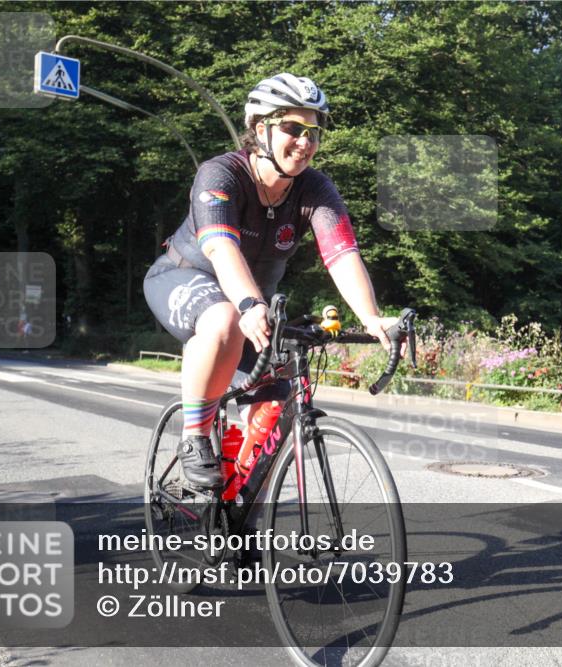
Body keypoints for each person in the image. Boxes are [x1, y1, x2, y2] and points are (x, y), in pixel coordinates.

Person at [144, 73, 399, 488]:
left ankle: (241, 521)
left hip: (253, 303)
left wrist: (372, 318)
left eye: (314, 132)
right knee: (224, 318)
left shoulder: (315, 189)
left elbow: (341, 253)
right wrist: (248, 304)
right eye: (293, 129)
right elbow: (221, 250)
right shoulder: (221, 174)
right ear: (260, 129)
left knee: (275, 418)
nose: (305, 141)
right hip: (184, 277)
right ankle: (193, 438)